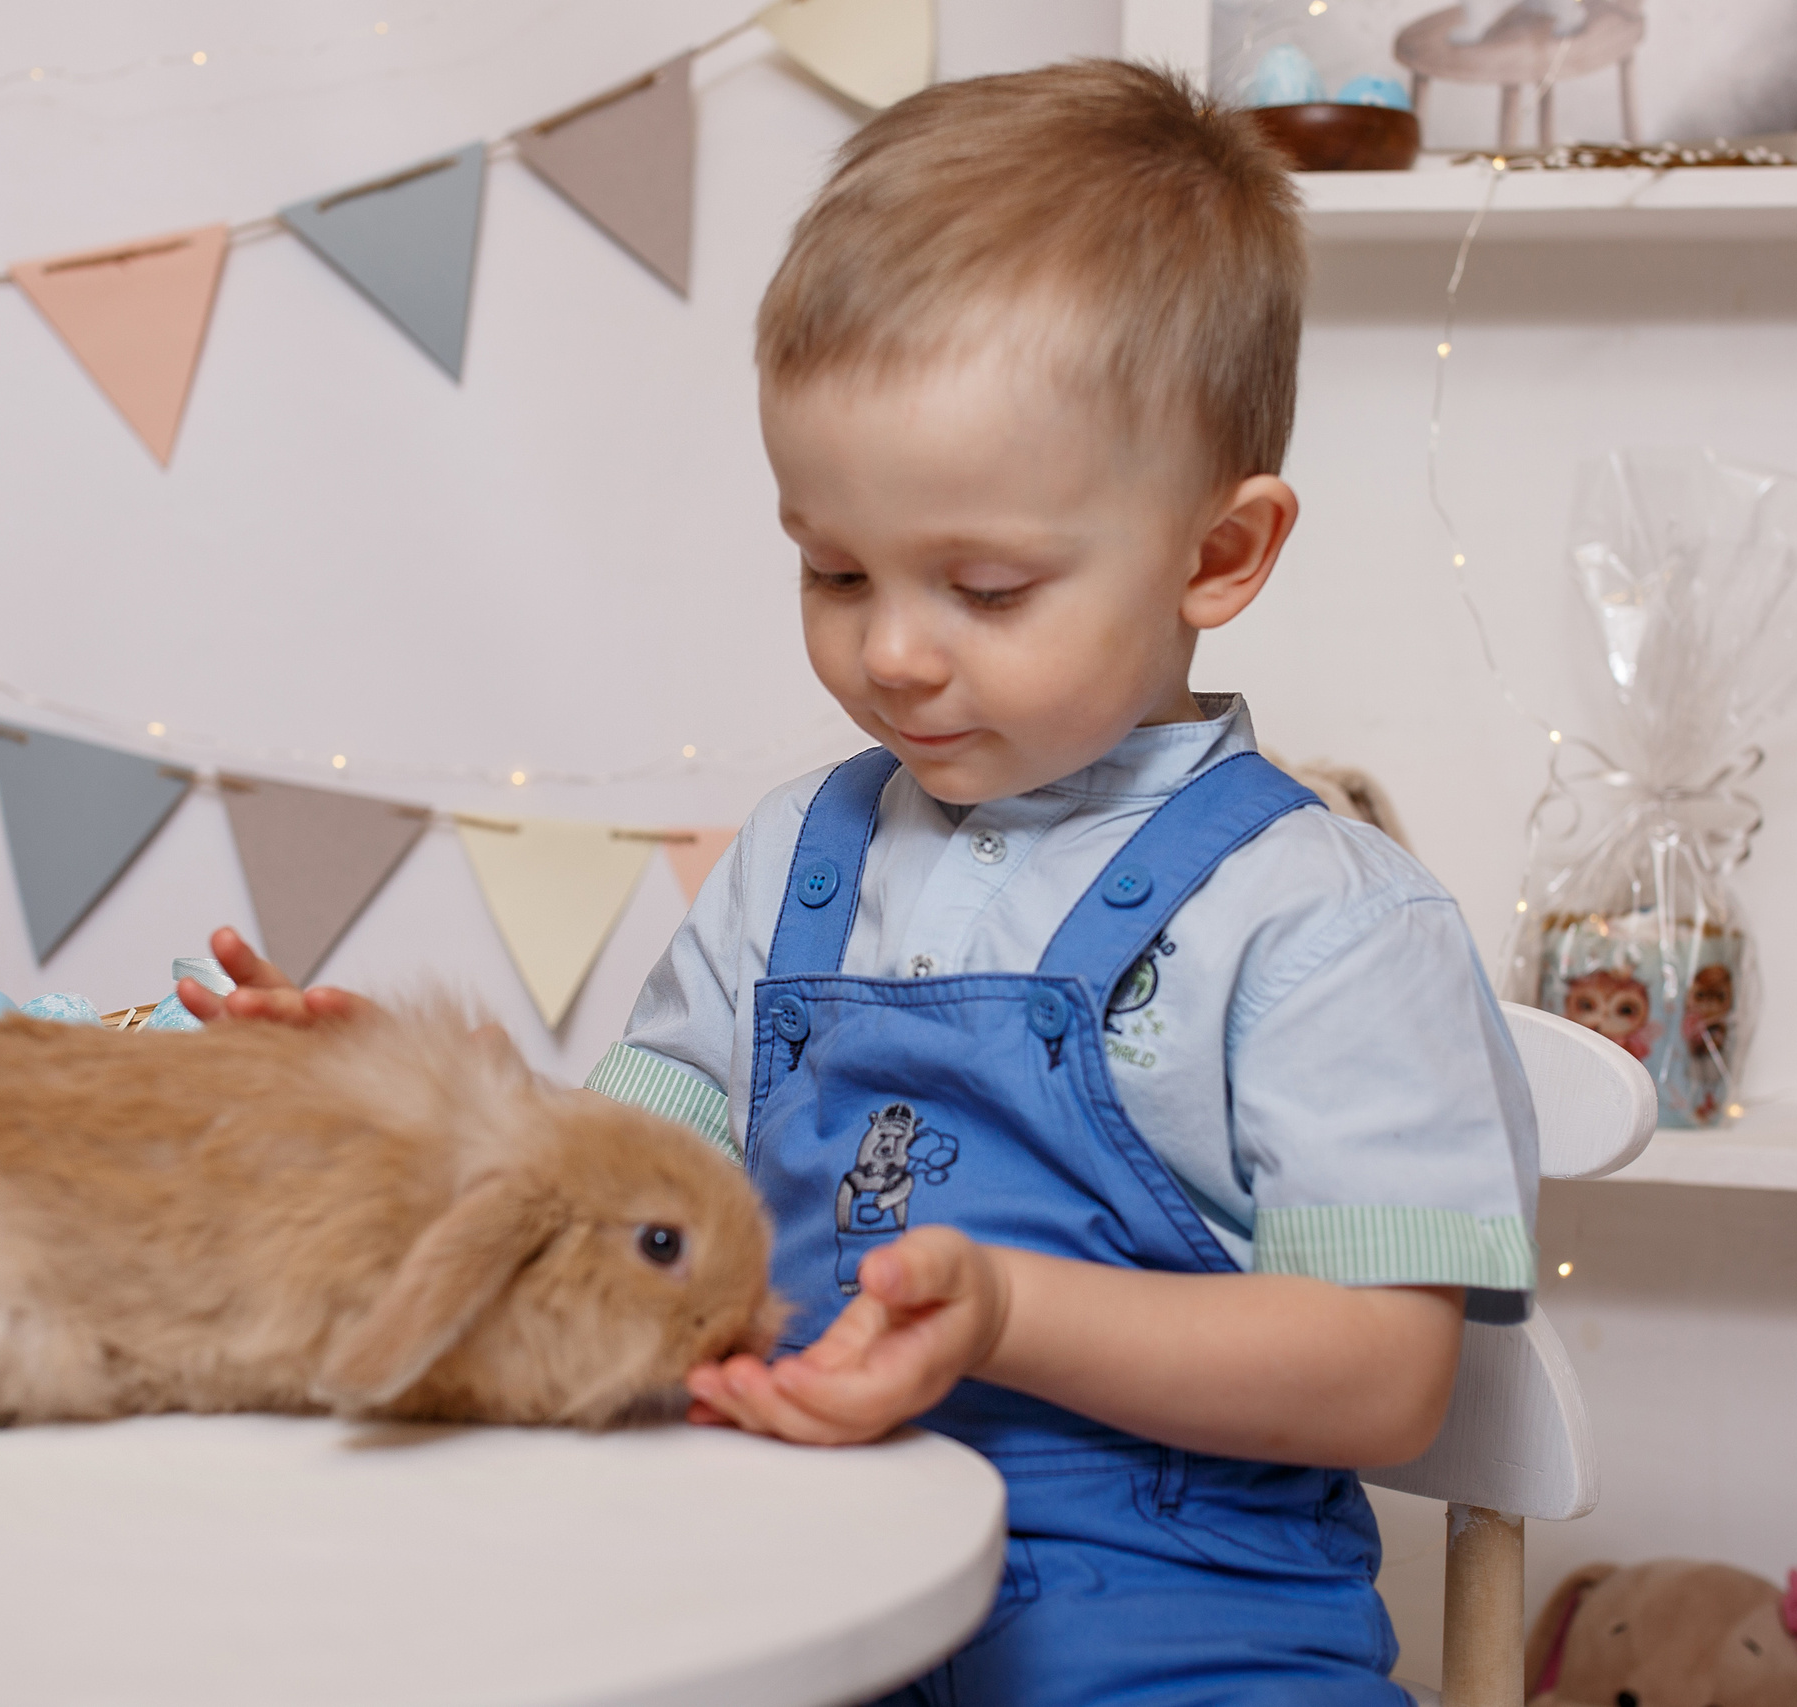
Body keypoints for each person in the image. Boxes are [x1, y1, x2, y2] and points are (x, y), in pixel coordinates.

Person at [181, 60, 1536, 1705]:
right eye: (832, 568)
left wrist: (1008, 1315)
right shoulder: (794, 864)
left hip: (1185, 1647)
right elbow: (616, 1191)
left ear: (1218, 554)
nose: (890, 650)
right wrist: (392, 1112)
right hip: (797, 1595)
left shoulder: (1322, 922)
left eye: (985, 584)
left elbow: (1385, 1380)